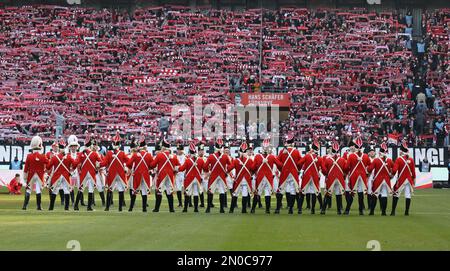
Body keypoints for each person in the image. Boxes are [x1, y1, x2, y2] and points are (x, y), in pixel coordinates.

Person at [100, 131, 129, 212]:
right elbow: (128, 162)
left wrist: (98, 164)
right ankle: (120, 208)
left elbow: (104, 163)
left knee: (110, 190)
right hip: (120, 174)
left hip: (112, 174)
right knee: (120, 190)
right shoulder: (122, 153)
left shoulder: (109, 153)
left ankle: (107, 207)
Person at [150, 138, 180, 212]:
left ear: (163, 147)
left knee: (159, 191)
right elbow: (178, 166)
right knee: (169, 191)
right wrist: (175, 170)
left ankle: (157, 208)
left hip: (161, 175)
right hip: (170, 175)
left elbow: (152, 165)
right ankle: (171, 208)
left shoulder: (159, 155)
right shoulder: (174, 156)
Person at [252, 138, 282, 214]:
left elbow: (253, 167)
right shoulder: (272, 157)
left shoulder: (257, 156)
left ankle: (253, 209)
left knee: (257, 193)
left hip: (260, 177)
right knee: (267, 193)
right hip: (269, 177)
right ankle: (267, 209)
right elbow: (280, 165)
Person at [46, 139, 76, 211]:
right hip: (66, 176)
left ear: (59, 148)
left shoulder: (54, 157)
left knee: (55, 191)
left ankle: (51, 207)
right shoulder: (68, 157)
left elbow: (48, 166)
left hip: (57, 176)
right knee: (67, 191)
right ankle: (66, 207)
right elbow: (75, 164)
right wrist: (71, 169)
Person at [276, 134, 302, 214]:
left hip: (285, 173)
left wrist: (281, 169)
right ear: (292, 143)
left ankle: (277, 209)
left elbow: (278, 162)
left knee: (280, 190)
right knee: (293, 191)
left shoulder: (282, 151)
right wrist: (298, 169)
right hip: (293, 173)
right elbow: (300, 163)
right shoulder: (296, 151)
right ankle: (291, 209)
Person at [74, 136, 102, 211]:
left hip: (83, 174)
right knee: (91, 189)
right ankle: (89, 207)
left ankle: (76, 205)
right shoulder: (95, 154)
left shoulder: (80, 154)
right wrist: (97, 167)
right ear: (90, 145)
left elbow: (76, 163)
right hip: (92, 173)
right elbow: (100, 162)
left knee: (81, 189)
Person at [204, 138, 231, 213]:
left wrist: (207, 171)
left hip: (213, 176)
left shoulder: (211, 156)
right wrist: (226, 172)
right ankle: (221, 208)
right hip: (222, 176)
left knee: (210, 191)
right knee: (222, 191)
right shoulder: (225, 156)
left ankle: (208, 208)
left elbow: (205, 166)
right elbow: (230, 165)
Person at [345, 137, 371, 215]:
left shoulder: (351, 156)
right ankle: (361, 210)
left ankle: (347, 210)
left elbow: (346, 167)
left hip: (353, 176)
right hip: (362, 176)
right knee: (360, 194)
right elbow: (370, 165)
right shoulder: (366, 156)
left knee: (351, 193)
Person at [126, 137, 153, 212]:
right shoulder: (149, 155)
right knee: (144, 192)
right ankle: (144, 208)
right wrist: (149, 168)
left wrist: (132, 168)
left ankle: (131, 208)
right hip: (145, 175)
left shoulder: (135, 155)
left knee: (134, 191)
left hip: (137, 174)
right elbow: (152, 165)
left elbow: (128, 164)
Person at [367, 142, 394, 216]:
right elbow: (394, 169)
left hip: (378, 180)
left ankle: (372, 211)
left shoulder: (376, 160)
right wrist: (391, 175)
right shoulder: (389, 160)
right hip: (386, 180)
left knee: (375, 195)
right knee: (384, 195)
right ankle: (383, 212)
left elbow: (369, 169)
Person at [22, 136, 48, 210]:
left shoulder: (29, 156)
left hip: (31, 174)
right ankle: (39, 206)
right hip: (40, 175)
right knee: (38, 190)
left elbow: (26, 168)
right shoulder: (43, 156)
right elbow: (49, 164)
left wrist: (25, 176)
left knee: (28, 190)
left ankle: (25, 205)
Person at [228, 141, 254, 214]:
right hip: (246, 180)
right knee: (244, 195)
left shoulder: (236, 160)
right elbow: (253, 168)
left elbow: (229, 168)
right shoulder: (250, 160)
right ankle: (244, 210)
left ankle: (231, 209)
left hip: (238, 180)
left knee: (235, 195)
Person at [178, 142, 205, 212]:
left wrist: (176, 168)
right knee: (196, 193)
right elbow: (205, 168)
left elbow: (182, 168)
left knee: (187, 193)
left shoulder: (187, 160)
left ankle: (185, 208)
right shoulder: (200, 160)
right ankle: (196, 209)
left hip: (189, 179)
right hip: (197, 179)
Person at [321, 141, 346, 215]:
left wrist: (326, 174)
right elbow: (346, 169)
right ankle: (339, 210)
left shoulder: (328, 160)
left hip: (330, 179)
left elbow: (324, 170)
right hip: (340, 179)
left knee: (327, 194)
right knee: (338, 194)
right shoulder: (342, 160)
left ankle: (323, 209)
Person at [391, 141, 416, 216]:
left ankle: (393, 211)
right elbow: (413, 172)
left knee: (396, 194)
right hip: (409, 180)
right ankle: (406, 212)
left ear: (401, 151)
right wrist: (413, 180)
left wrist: (392, 174)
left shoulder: (399, 159)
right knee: (408, 195)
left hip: (401, 180)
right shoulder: (411, 160)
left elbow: (395, 170)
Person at [300, 139, 323, 214]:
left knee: (303, 193)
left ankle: (300, 209)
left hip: (306, 176)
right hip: (315, 176)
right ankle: (312, 209)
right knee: (314, 193)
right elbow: (323, 168)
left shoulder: (307, 156)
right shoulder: (319, 158)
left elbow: (300, 163)